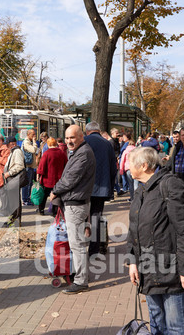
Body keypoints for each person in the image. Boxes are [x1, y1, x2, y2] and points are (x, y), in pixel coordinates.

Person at [127, 147, 184, 334]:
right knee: (157, 324)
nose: (127, 168)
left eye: (130, 164)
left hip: (171, 272)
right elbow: (134, 229)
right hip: (148, 269)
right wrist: (132, 261)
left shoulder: (170, 185)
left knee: (176, 327)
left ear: (144, 166)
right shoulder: (142, 190)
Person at [49, 125, 95, 295]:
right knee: (78, 243)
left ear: (81, 137)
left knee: (77, 244)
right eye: (67, 138)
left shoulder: (83, 153)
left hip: (76, 204)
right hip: (75, 202)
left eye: (72, 138)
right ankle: (79, 275)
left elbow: (70, 179)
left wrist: (54, 191)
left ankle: (81, 280)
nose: (69, 141)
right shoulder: (79, 152)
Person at [84, 122, 117, 256]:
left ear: (87, 132)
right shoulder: (107, 143)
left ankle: (80, 249)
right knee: (97, 217)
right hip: (101, 188)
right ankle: (94, 250)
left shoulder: (84, 141)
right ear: (98, 130)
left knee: (81, 216)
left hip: (84, 187)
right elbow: (113, 167)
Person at [36, 137, 68, 215]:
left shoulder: (47, 153)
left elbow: (42, 166)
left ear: (48, 144)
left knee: (43, 196)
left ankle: (41, 210)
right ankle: (55, 211)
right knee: (56, 195)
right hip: (58, 179)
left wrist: (38, 175)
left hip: (47, 179)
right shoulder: (61, 153)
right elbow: (66, 165)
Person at [2, 135, 26, 226]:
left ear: (12, 144)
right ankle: (12, 219)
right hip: (12, 180)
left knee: (15, 201)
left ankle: (15, 220)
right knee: (12, 200)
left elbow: (20, 166)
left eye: (7, 145)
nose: (6, 147)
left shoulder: (17, 151)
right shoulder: (13, 151)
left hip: (14, 178)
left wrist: (9, 173)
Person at [21, 130, 39, 206]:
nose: (34, 136)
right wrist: (34, 142)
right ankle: (25, 200)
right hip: (28, 166)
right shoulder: (26, 142)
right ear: (28, 134)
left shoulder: (29, 141)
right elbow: (33, 150)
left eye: (35, 134)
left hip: (31, 166)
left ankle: (27, 198)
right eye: (33, 134)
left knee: (30, 183)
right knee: (27, 184)